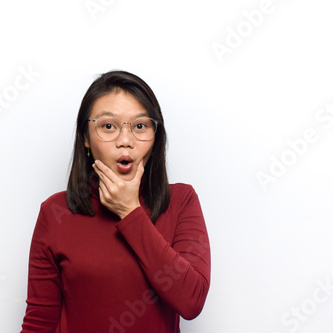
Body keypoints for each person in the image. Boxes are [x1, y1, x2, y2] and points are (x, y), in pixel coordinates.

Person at [21, 70, 211, 333]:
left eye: (140, 126)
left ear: (156, 138)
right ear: (86, 138)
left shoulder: (181, 201)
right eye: (108, 126)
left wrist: (130, 212)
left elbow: (191, 301)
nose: (125, 141)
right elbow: (39, 322)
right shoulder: (55, 212)